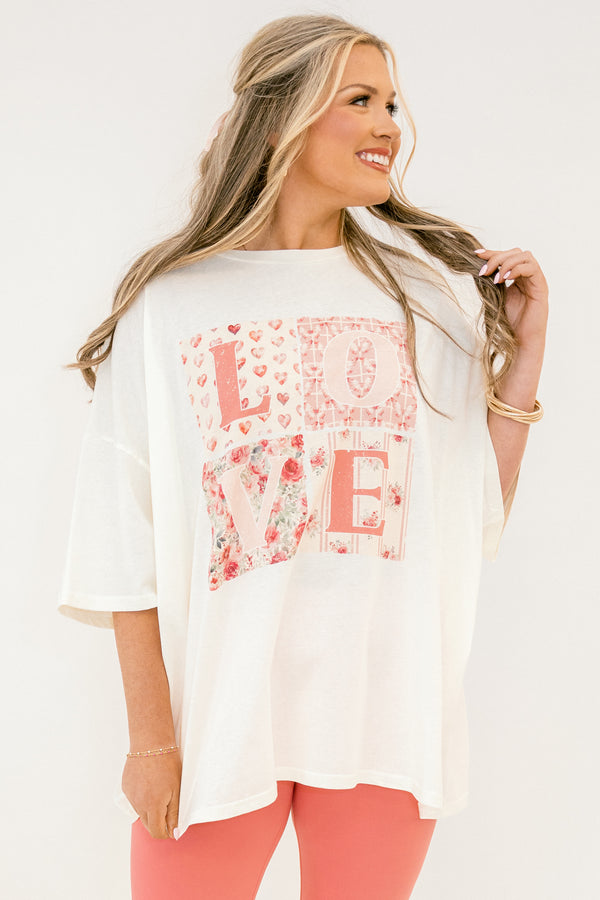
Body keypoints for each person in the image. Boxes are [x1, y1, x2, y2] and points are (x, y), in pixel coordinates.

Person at [58, 13, 548, 900]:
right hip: (221, 718)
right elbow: (120, 544)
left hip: (385, 715)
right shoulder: (172, 307)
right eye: (359, 100)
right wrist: (151, 742)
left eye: (392, 102)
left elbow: (467, 513)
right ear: (281, 117)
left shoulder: (429, 303)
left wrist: (524, 357)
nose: (388, 125)